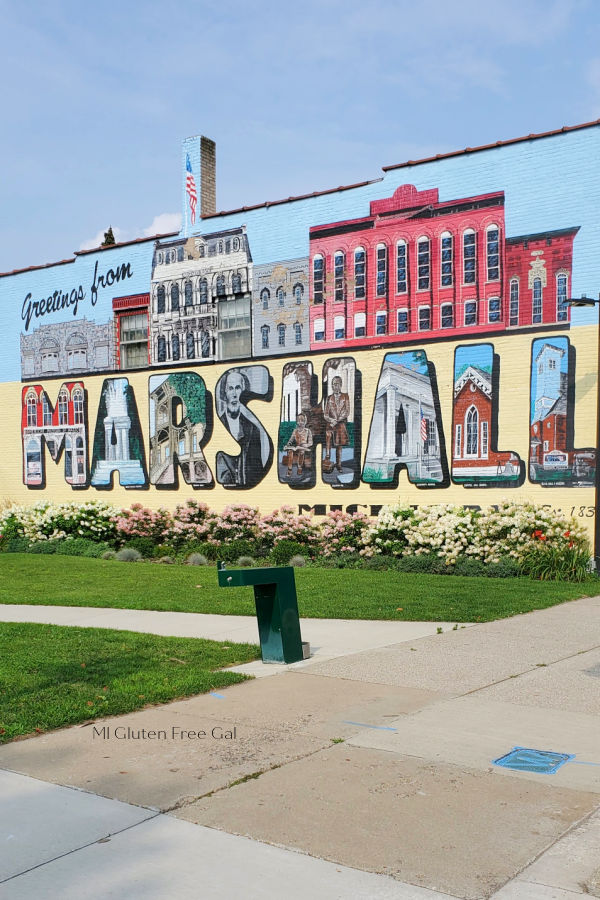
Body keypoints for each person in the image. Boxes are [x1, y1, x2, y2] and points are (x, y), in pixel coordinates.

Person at [217, 370, 263, 486]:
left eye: (237, 388)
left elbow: (257, 470)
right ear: (225, 392)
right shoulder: (217, 427)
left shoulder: (253, 429)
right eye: (230, 388)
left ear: (243, 392)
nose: (234, 394)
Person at [323, 375, 350, 472]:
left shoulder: (345, 396)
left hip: (340, 424)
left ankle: (339, 465)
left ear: (341, 385)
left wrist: (337, 420)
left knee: (339, 444)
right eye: (334, 384)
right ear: (332, 386)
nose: (336, 386)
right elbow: (325, 415)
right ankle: (327, 459)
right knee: (328, 436)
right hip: (330, 424)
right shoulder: (329, 398)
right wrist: (331, 420)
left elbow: (347, 412)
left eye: (338, 384)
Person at [283, 411, 313, 477]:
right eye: (298, 420)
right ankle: (289, 469)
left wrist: (306, 445)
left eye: (302, 420)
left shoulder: (308, 431)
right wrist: (288, 445)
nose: (300, 422)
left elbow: (311, 443)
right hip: (297, 447)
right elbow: (291, 440)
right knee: (290, 451)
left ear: (305, 421)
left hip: (305, 448)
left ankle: (300, 468)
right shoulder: (295, 431)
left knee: (301, 452)